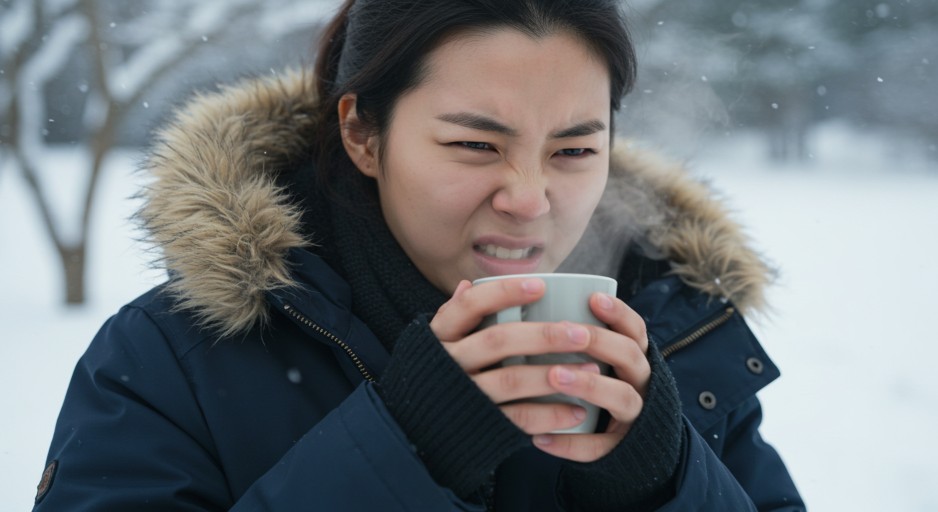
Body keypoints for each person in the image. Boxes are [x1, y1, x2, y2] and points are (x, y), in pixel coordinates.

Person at [33, 0, 806, 510]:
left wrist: (667, 480)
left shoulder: (673, 338)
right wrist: (405, 448)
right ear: (363, 134)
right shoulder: (174, 360)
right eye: (475, 144)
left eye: (573, 149)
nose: (530, 198)